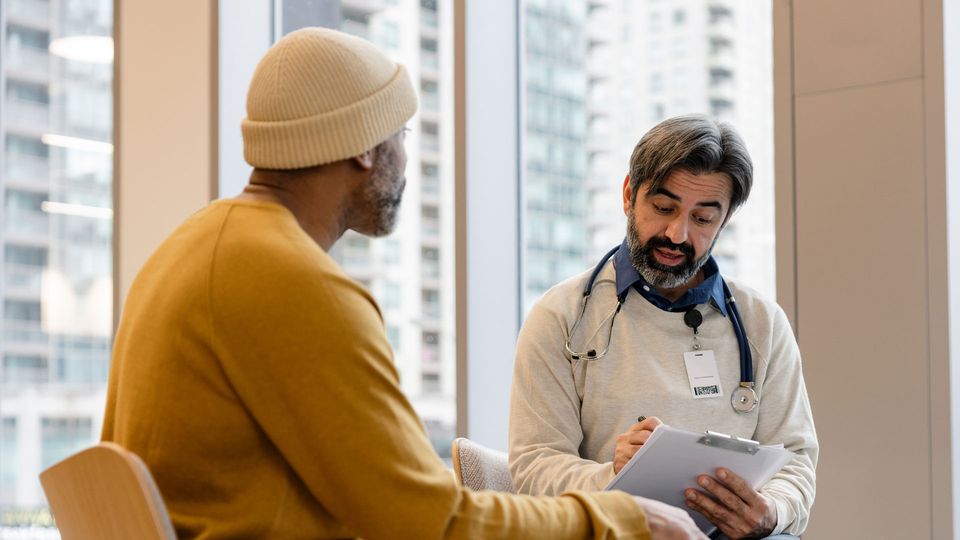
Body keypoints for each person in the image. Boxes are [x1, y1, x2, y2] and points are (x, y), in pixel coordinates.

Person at [100, 28, 706, 540]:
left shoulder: (190, 247)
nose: (407, 160)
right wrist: (619, 519)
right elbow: (425, 523)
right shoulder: (294, 284)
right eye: (403, 136)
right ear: (366, 148)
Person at [508, 115, 818, 539]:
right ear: (628, 195)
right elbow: (534, 465)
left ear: (724, 221)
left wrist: (770, 511)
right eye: (663, 208)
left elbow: (796, 458)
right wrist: (612, 475)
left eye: (703, 218)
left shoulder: (762, 324)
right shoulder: (562, 317)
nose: (677, 233)